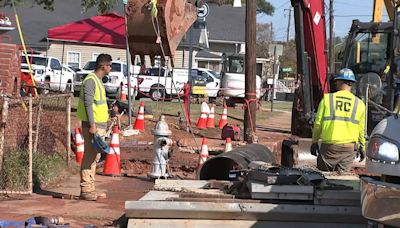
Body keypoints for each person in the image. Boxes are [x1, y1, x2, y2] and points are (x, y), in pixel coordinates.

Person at [310, 68, 366, 172]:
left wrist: (314, 142)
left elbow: (318, 124)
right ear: (351, 84)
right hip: (349, 149)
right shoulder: (360, 104)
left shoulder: (327, 99)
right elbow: (361, 130)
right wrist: (362, 147)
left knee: (323, 179)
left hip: (329, 148)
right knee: (342, 181)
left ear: (339, 82)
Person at [76, 54, 111, 201]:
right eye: (110, 65)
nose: (110, 68)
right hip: (93, 126)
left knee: (95, 157)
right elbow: (88, 104)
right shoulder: (91, 81)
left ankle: (90, 188)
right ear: (103, 66)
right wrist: (92, 125)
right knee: (90, 156)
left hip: (99, 125)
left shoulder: (98, 81)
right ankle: (86, 189)